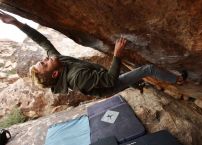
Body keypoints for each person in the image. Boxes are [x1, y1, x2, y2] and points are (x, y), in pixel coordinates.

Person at [0, 10, 186, 97]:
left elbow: (43, 41)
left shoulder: (58, 62)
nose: (46, 58)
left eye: (43, 60)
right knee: (148, 69)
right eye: (45, 63)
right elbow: (110, 80)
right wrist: (117, 55)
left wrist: (16, 22)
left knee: (128, 76)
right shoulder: (76, 77)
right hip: (109, 85)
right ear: (55, 73)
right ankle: (177, 80)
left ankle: (138, 85)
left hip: (99, 76)